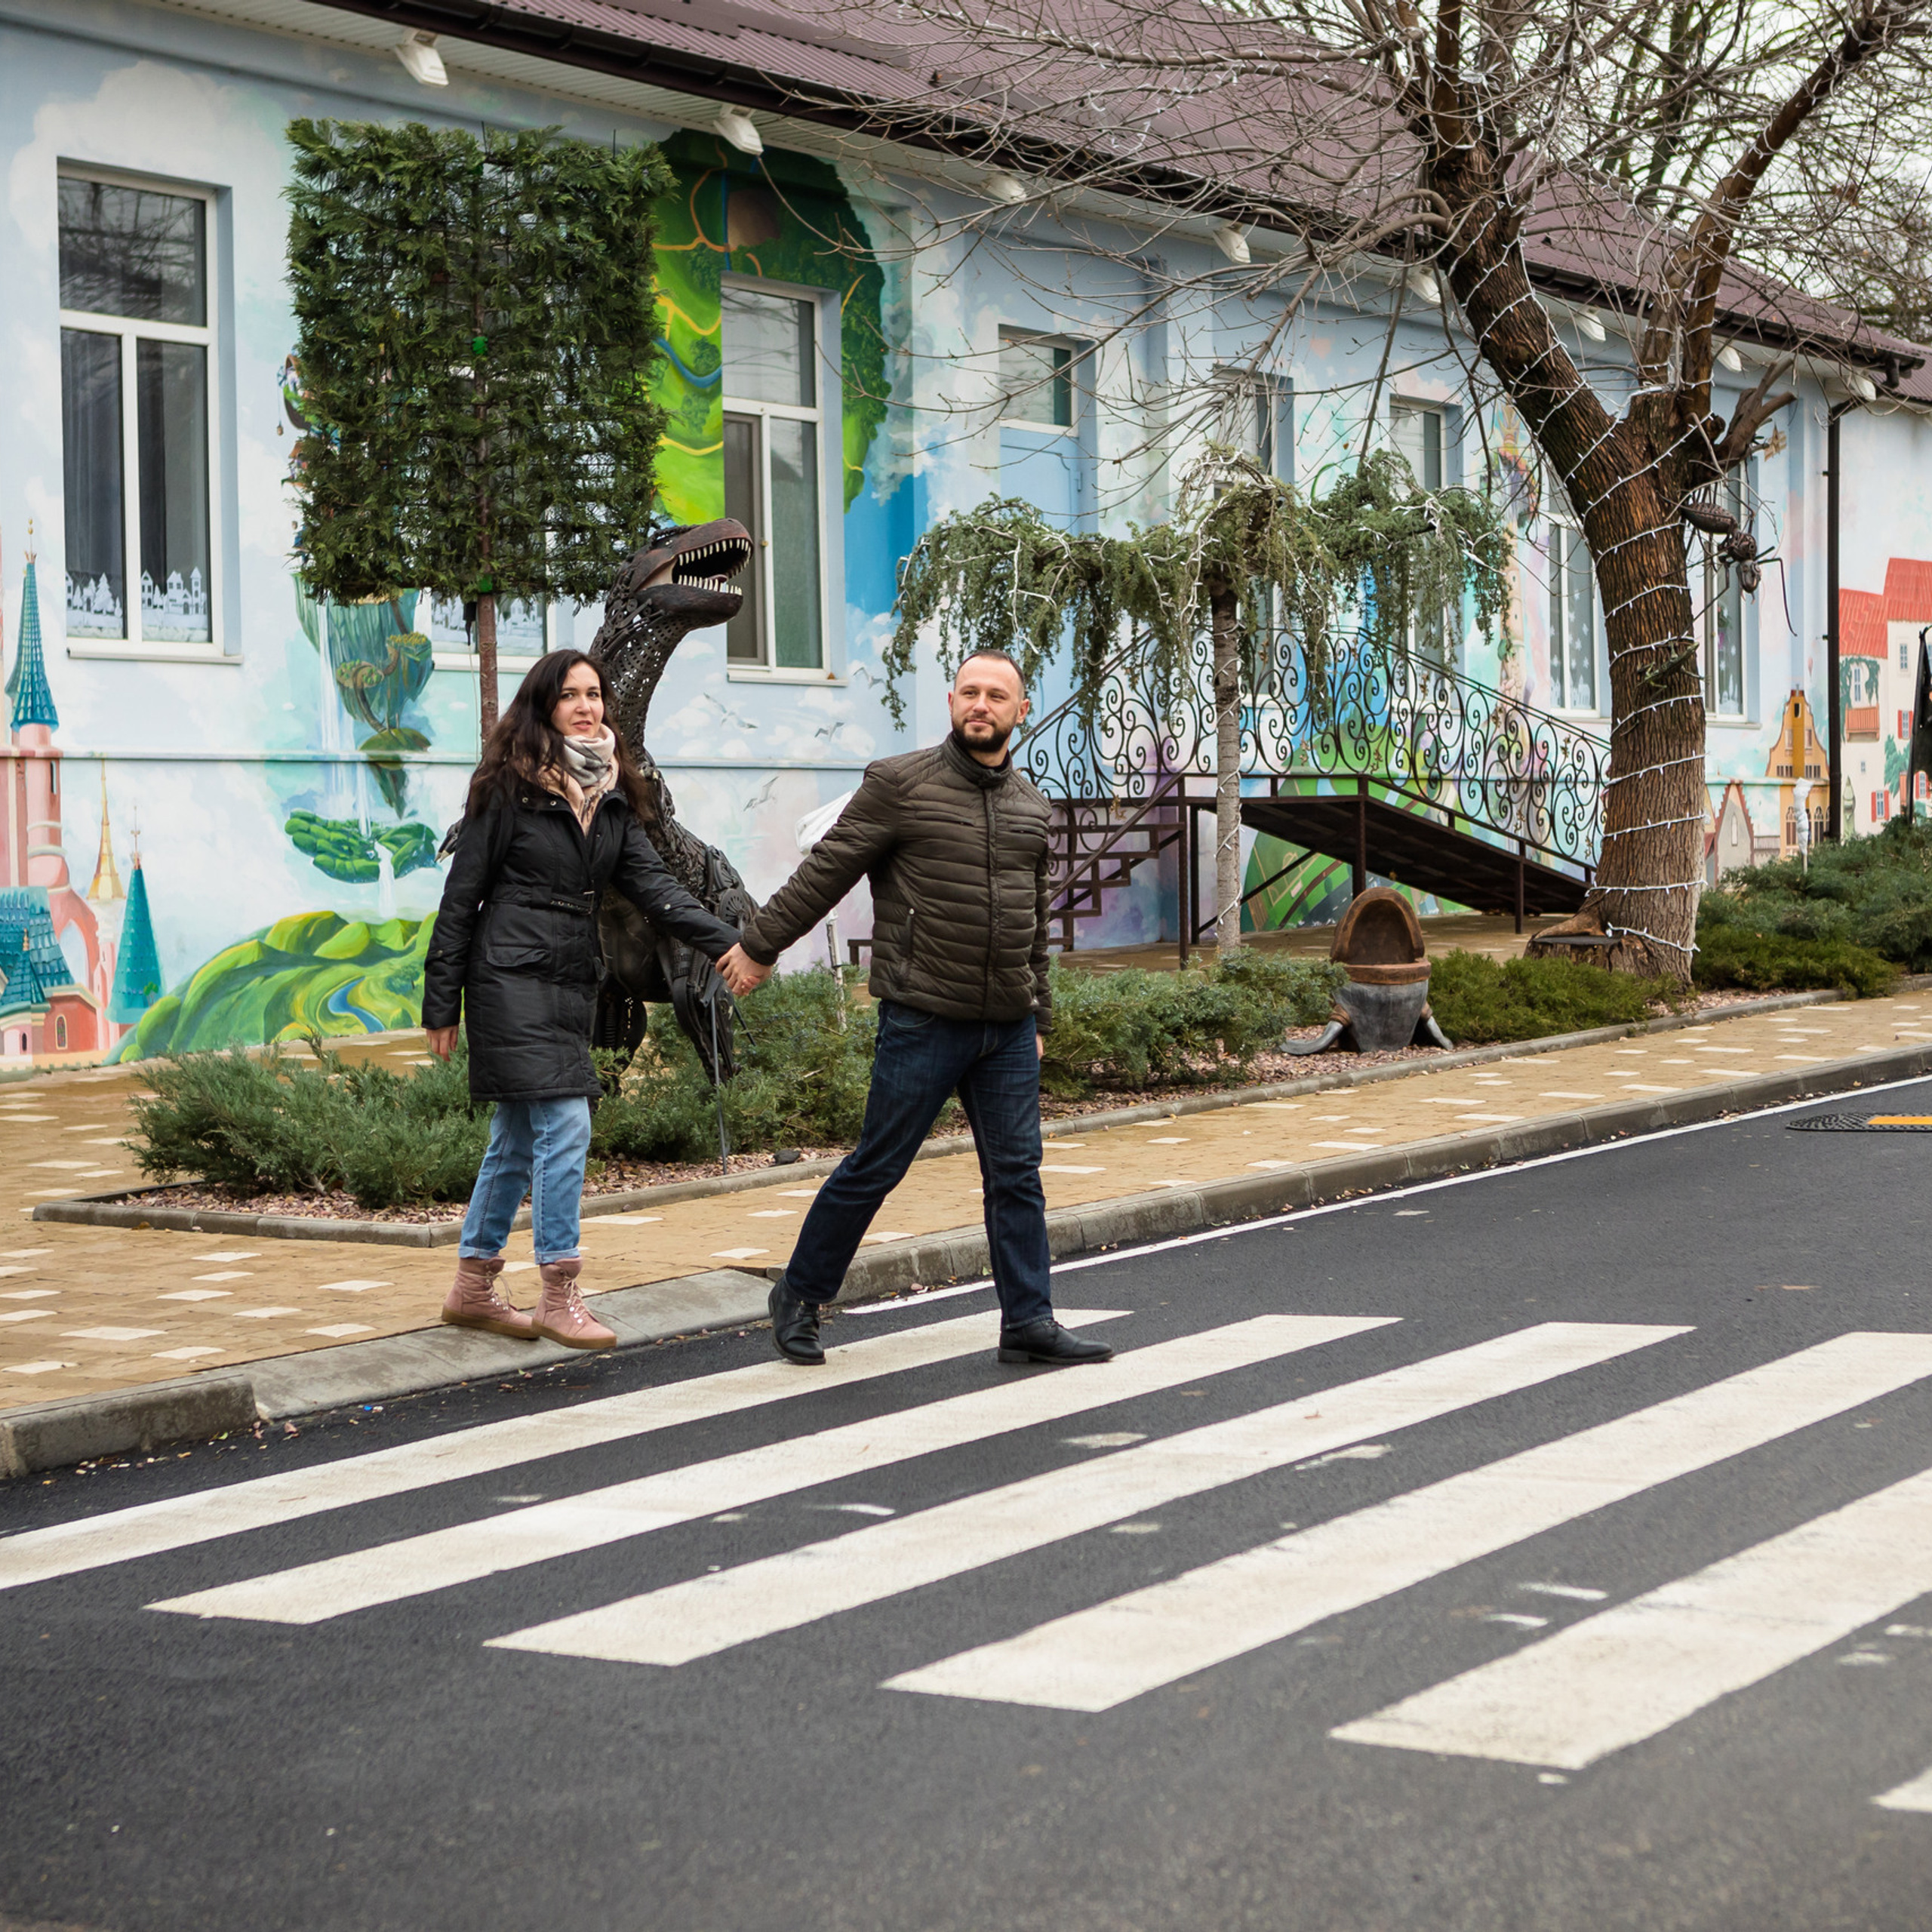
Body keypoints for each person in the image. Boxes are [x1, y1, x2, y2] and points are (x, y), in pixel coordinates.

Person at [718, 651, 1114, 1371]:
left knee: (1017, 1175)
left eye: (997, 695)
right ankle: (801, 1296)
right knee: (878, 1164)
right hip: (925, 1016)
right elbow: (825, 872)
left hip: (1006, 1027)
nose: (981, 705)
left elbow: (1035, 924)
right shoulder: (900, 784)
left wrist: (1041, 1021)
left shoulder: (1031, 806)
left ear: (1020, 711)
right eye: (969, 692)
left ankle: (1029, 1320)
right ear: (953, 701)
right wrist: (761, 944)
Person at [425, 651, 740, 1349]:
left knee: (514, 1137)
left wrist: (738, 943)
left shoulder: (613, 797)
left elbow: (659, 892)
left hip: (570, 980)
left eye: (595, 695)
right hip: (508, 975)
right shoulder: (506, 789)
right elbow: (461, 898)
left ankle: (473, 1287)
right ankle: (559, 1291)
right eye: (570, 696)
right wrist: (440, 1000)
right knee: (567, 1123)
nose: (587, 707)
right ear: (543, 707)